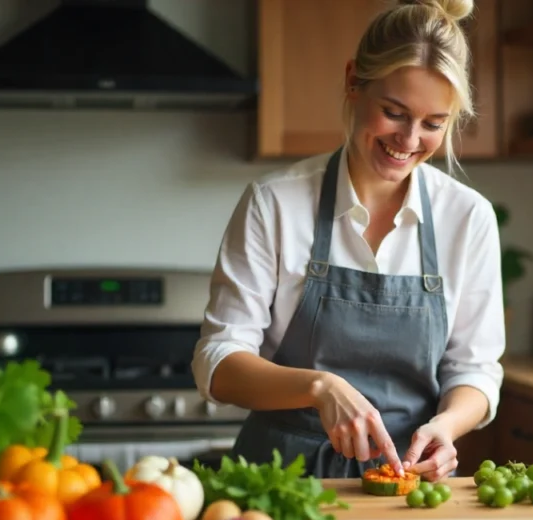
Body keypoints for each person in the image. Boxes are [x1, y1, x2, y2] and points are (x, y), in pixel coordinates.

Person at [191, 0, 505, 482]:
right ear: (353, 82)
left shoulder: (468, 217)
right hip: (278, 477)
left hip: (405, 482)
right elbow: (218, 362)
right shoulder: (274, 204)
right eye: (394, 112)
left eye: (433, 123)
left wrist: (447, 425)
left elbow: (476, 370)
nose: (409, 139)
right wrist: (319, 387)